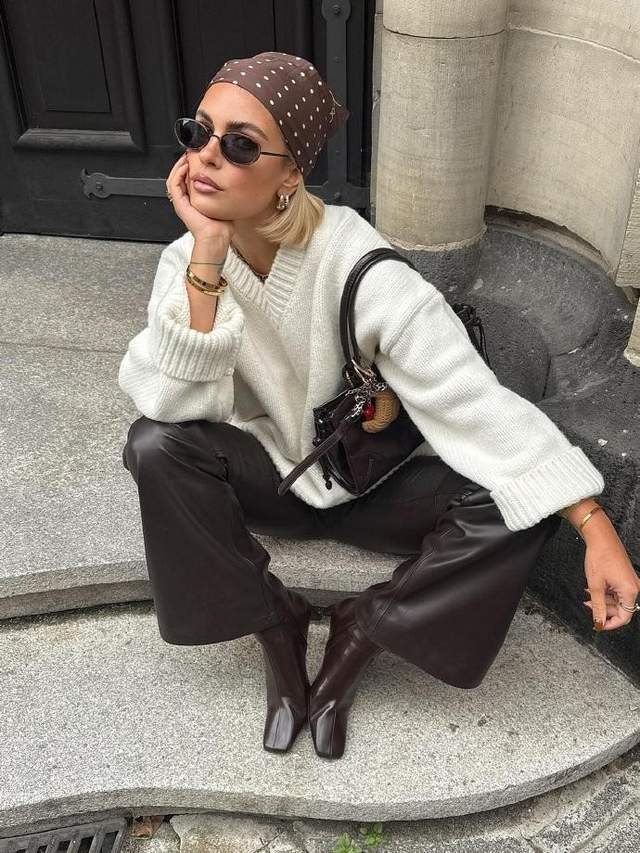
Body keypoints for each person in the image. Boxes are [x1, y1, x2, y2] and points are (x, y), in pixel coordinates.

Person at [118, 51, 640, 760]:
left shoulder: (361, 265)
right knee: (153, 444)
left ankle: (365, 627)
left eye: (239, 145)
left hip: (375, 484)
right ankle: (275, 621)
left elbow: (472, 400)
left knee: (521, 502)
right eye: (198, 131)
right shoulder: (186, 261)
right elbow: (170, 403)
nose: (206, 155)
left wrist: (595, 523)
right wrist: (206, 258)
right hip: (273, 478)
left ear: (290, 175)